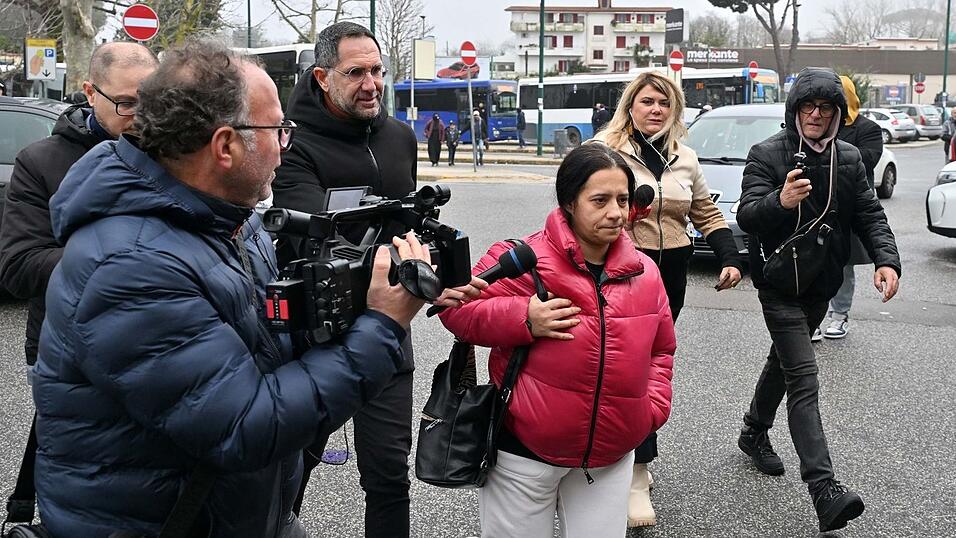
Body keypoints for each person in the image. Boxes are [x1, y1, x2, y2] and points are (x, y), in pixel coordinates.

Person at [31, 39, 477, 538]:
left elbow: (269, 342)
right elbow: (244, 425)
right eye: (278, 130)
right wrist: (382, 324)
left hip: (239, 513)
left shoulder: (228, 220)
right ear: (225, 146)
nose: (286, 144)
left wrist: (359, 300)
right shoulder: (131, 266)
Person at [439, 144, 675, 538]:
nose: (616, 213)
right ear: (569, 202)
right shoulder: (521, 258)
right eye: (599, 200)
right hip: (524, 454)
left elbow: (661, 349)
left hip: (610, 457)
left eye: (622, 199)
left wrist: (650, 409)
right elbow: (456, 311)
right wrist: (523, 318)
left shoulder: (645, 271)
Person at [736, 67, 900, 533]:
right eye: (808, 106)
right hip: (778, 284)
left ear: (836, 114)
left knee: (784, 364)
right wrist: (782, 201)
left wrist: (888, 261)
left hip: (820, 284)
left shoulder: (848, 158)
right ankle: (824, 488)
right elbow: (747, 215)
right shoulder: (767, 153)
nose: (815, 114)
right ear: (794, 110)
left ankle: (753, 430)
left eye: (825, 108)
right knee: (804, 379)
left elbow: (870, 214)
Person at [270, 21, 419, 537]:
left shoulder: (401, 136)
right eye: (355, 72)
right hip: (316, 339)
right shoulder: (290, 142)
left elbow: (408, 228)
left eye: (378, 70)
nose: (372, 83)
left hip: (388, 332)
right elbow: (315, 239)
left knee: (387, 477)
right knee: (289, 471)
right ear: (322, 77)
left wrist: (431, 275)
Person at [590, 70, 743, 527]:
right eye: (647, 101)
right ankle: (634, 473)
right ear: (630, 106)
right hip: (617, 270)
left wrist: (729, 258)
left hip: (670, 272)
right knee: (621, 363)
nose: (655, 110)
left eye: (664, 103)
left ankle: (634, 461)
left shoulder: (685, 157)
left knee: (650, 365)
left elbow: (706, 211)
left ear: (674, 111)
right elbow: (576, 205)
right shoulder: (604, 150)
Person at [0, 42, 157, 368]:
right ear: (90, 93)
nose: (140, 118)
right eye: (126, 103)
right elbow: (19, 266)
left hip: (155, 344)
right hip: (67, 349)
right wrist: (129, 261)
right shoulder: (39, 162)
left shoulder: (174, 153)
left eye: (152, 103)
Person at [811, 76, 884, 341]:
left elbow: (867, 159)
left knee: (843, 264)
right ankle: (814, 317)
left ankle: (840, 315)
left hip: (849, 208)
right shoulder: (820, 124)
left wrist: (829, 149)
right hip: (818, 205)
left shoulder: (869, 129)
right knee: (813, 262)